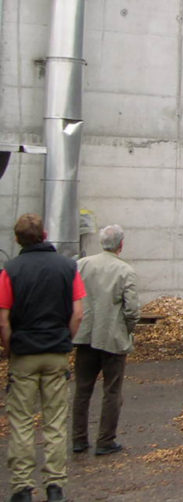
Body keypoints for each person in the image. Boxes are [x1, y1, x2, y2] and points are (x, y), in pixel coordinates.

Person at [0, 213, 86, 502]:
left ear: (16, 238)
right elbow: (78, 312)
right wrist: (66, 339)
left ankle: (23, 488)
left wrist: (10, 349)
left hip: (24, 353)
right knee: (55, 421)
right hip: (56, 352)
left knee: (22, 422)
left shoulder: (9, 271)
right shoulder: (68, 267)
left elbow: (3, 320)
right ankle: (54, 485)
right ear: (45, 234)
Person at [72, 224, 140, 458]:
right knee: (112, 391)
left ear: (102, 243)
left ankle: (79, 439)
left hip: (85, 335)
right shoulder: (125, 271)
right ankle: (105, 440)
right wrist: (127, 330)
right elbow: (132, 310)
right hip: (112, 337)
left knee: (82, 389)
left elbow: (72, 299)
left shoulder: (81, 265)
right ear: (121, 245)